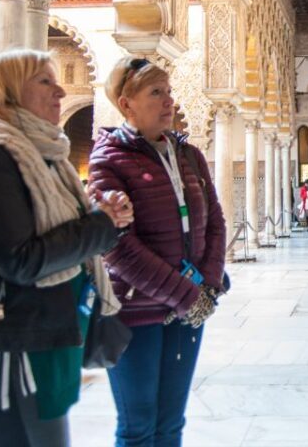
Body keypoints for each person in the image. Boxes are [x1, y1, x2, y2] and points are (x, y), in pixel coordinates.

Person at [0, 49, 133, 447]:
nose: (60, 91)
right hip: (4, 349)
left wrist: (102, 218)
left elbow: (61, 235)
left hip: (43, 339)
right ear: (7, 92)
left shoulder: (48, 161)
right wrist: (100, 225)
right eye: (45, 81)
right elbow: (22, 260)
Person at [87, 57, 227, 447]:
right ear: (126, 103)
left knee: (170, 423)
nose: (169, 101)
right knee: (138, 427)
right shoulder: (109, 159)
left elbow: (215, 221)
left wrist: (208, 285)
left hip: (188, 310)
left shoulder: (188, 155)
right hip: (135, 312)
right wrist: (187, 296)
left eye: (168, 91)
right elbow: (117, 246)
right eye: (155, 92)